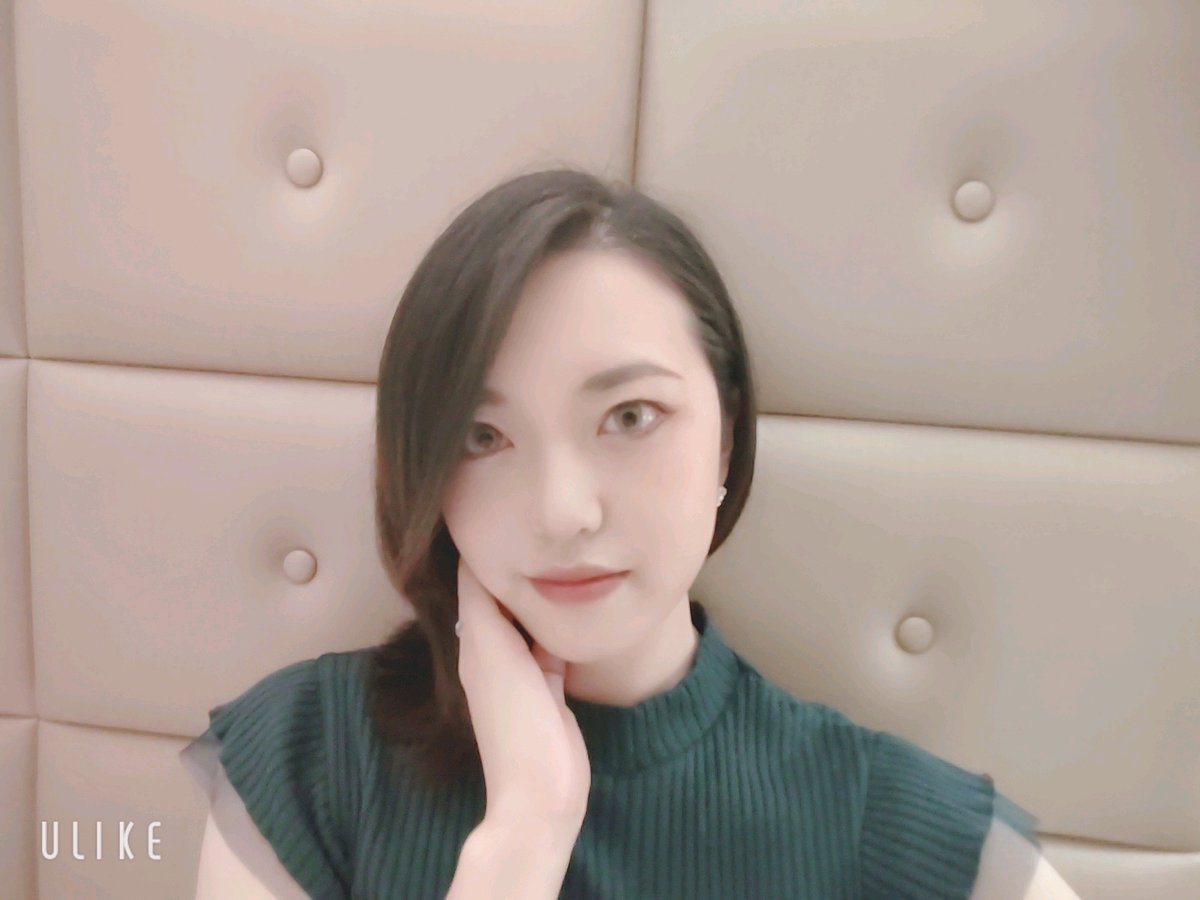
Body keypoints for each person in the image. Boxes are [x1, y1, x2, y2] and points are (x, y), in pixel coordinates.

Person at [180, 167, 1080, 899]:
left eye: (630, 416)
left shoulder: (878, 818)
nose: (562, 511)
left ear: (725, 436)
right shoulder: (309, 760)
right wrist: (522, 839)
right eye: (482, 437)